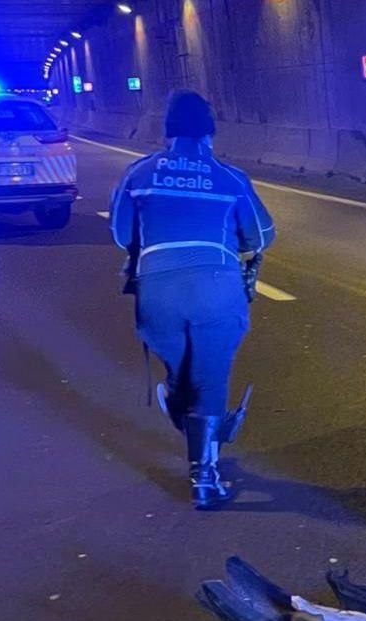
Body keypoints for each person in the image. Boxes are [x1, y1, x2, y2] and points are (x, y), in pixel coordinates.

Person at [109, 90, 275, 509]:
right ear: (209, 132)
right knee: (210, 376)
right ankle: (205, 474)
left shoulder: (138, 174)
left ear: (166, 131)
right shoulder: (228, 177)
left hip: (158, 292)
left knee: (182, 374)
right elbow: (261, 235)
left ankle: (195, 420)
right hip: (216, 289)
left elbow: (120, 235)